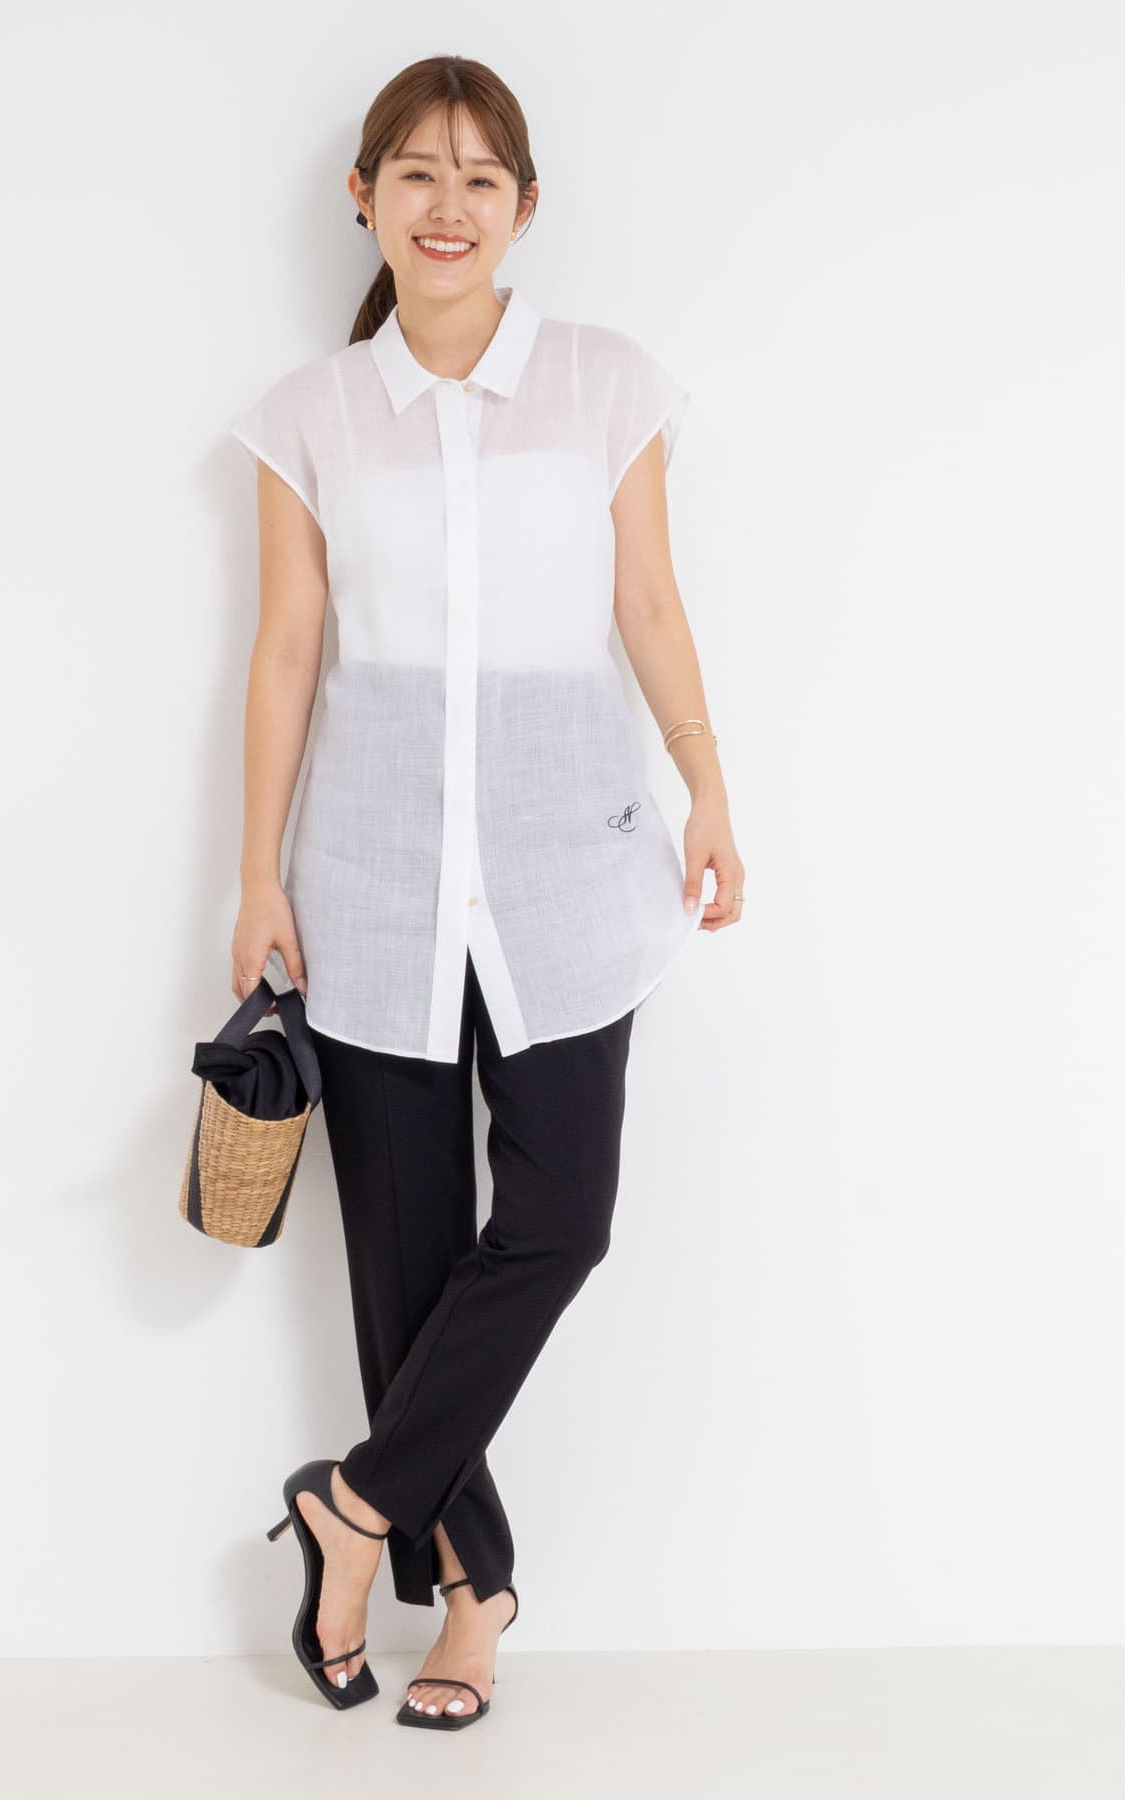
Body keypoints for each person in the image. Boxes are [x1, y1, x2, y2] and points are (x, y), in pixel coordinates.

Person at [231, 55, 745, 1729]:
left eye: (480, 178)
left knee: (558, 1219)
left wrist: (709, 786)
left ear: (525, 206)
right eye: (416, 174)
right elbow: (288, 653)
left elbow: (648, 605)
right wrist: (256, 877)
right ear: (364, 197)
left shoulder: (606, 384)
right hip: (370, 879)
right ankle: (474, 1599)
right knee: (405, 1263)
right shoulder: (307, 416)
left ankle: (352, 1509)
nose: (447, 207)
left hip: (568, 868)